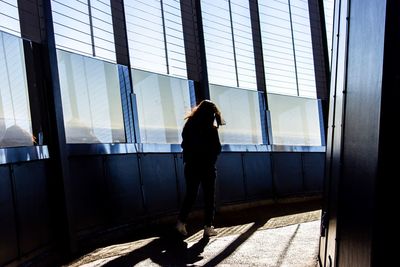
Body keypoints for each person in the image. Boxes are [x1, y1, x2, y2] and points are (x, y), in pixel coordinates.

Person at [175, 100, 224, 237]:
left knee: (191, 194)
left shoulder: (189, 125)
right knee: (209, 197)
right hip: (207, 166)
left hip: (191, 165)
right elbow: (217, 148)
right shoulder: (211, 129)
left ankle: (181, 222)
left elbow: (185, 144)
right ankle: (208, 227)